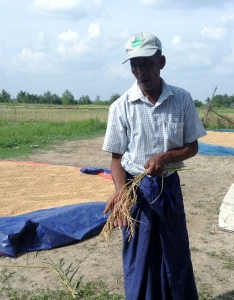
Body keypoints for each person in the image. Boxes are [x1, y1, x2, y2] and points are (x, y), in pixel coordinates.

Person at [102, 32, 207, 300]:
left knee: (174, 252)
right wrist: (121, 192)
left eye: (146, 63)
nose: (139, 71)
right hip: (136, 194)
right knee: (140, 256)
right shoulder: (120, 107)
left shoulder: (181, 99)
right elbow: (116, 159)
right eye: (134, 65)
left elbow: (192, 147)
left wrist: (165, 158)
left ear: (161, 61)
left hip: (168, 189)